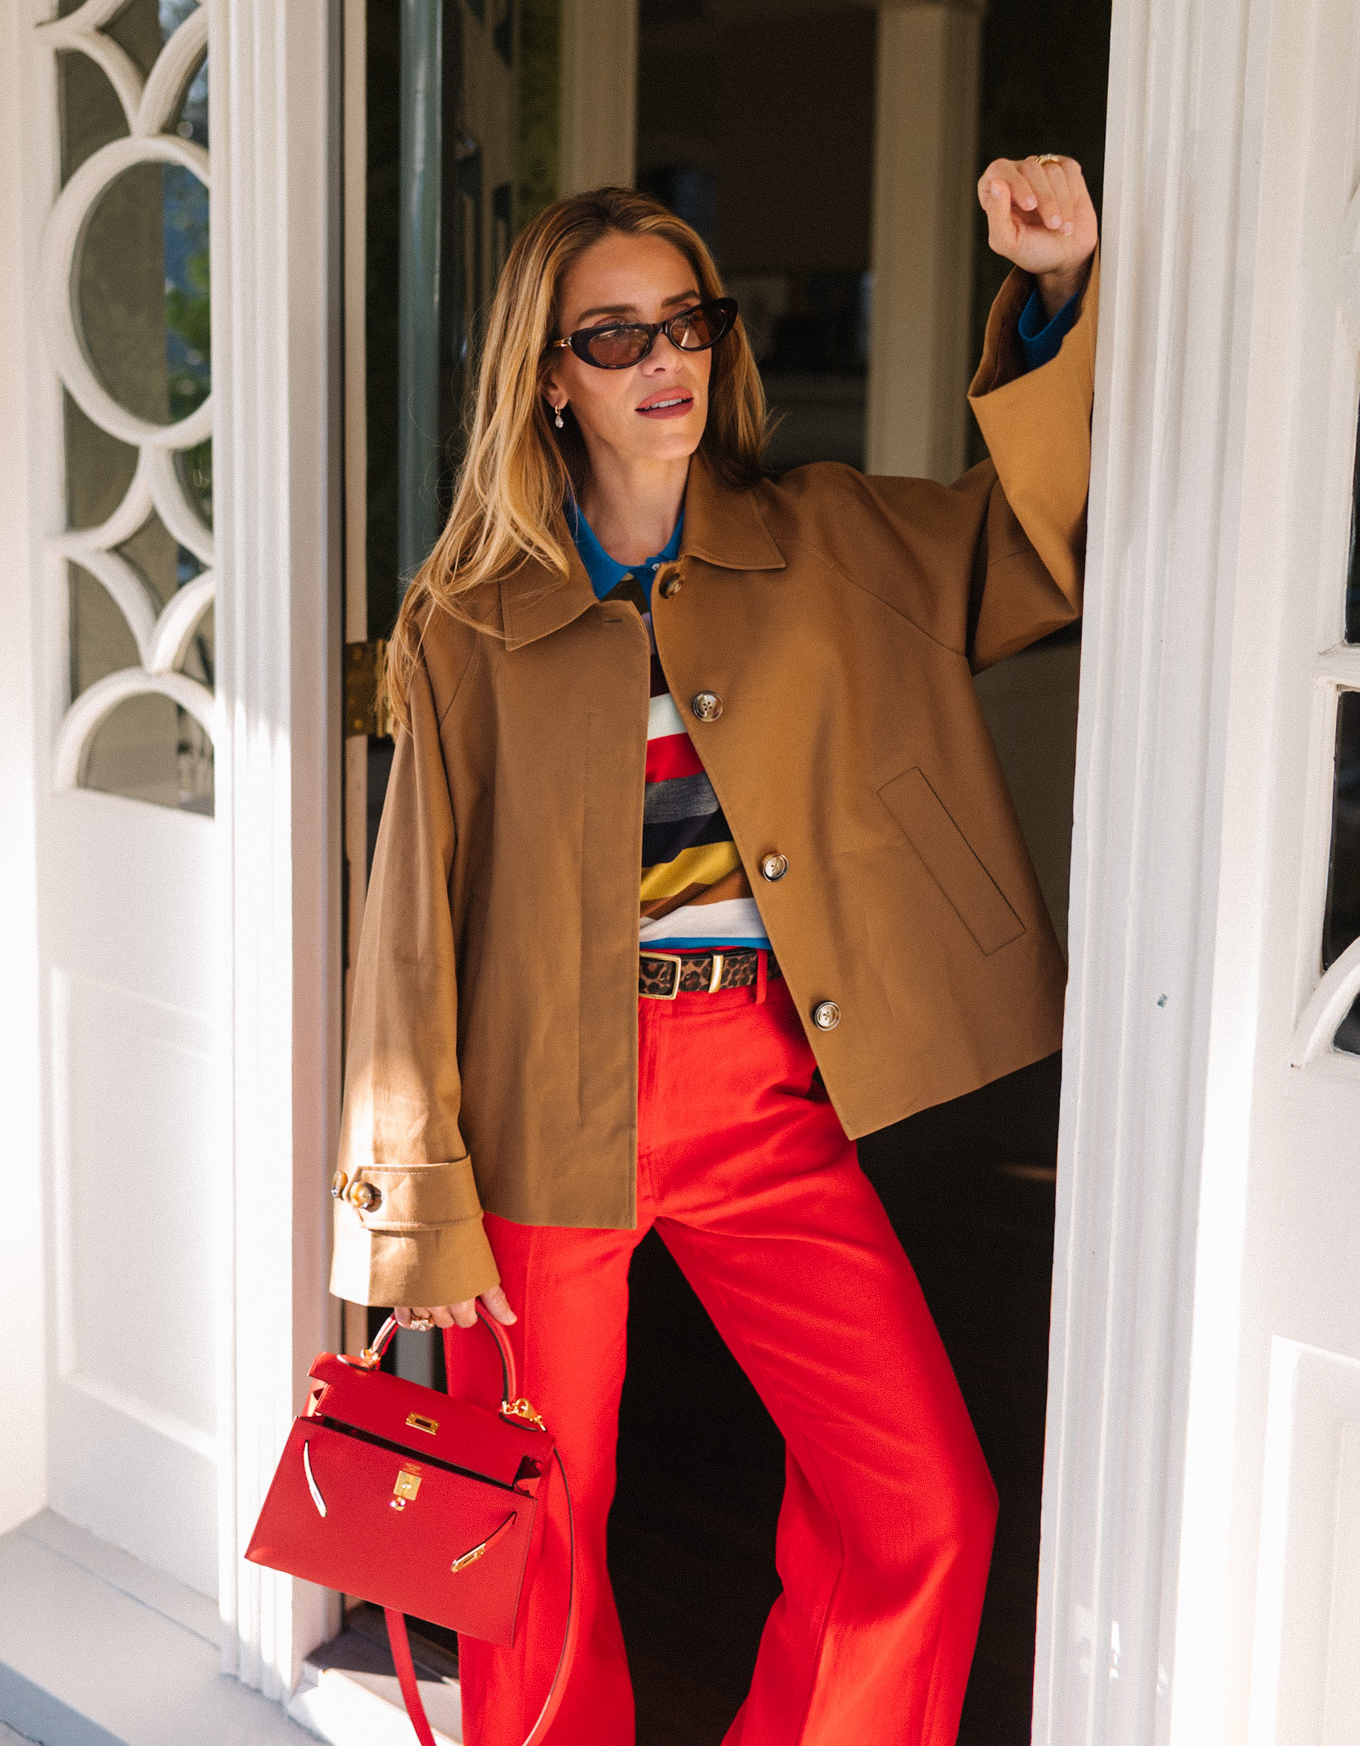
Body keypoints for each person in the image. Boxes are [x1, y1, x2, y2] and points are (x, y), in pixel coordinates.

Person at [331, 154, 1099, 1746]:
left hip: (758, 1085)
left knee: (924, 1504)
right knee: (532, 1539)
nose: (662, 358)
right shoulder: (468, 622)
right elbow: (409, 941)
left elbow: (1032, 542)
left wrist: (1058, 293)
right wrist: (416, 1218)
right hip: (541, 1110)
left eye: (686, 322)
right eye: (615, 336)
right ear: (551, 377)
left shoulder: (833, 542)